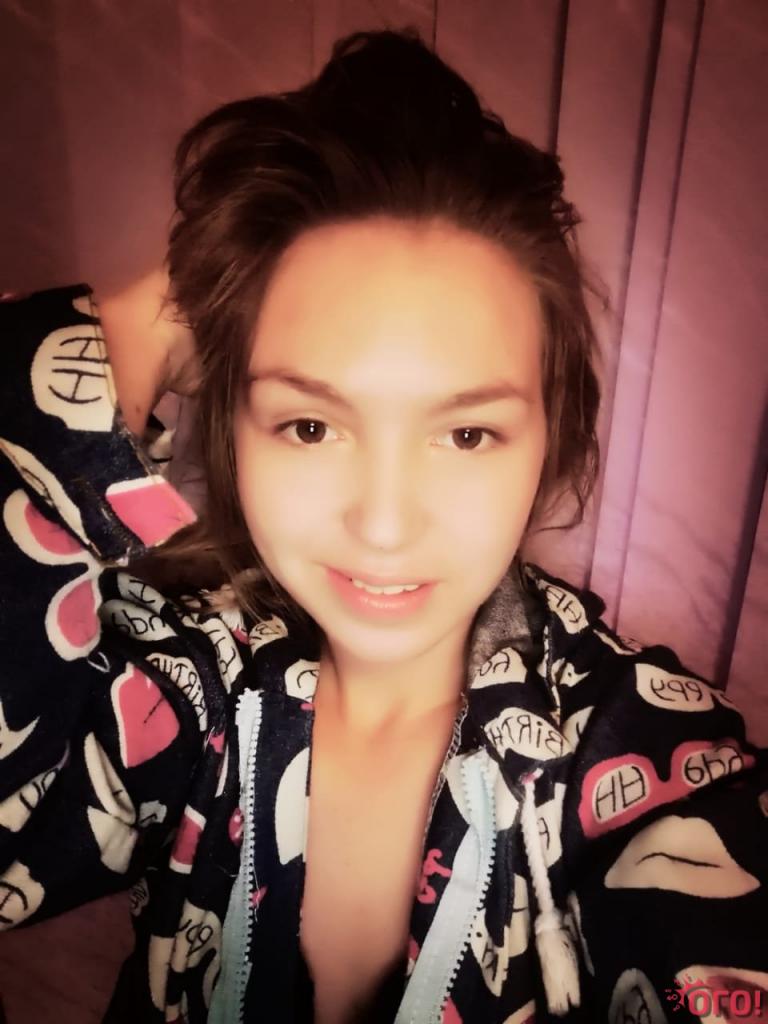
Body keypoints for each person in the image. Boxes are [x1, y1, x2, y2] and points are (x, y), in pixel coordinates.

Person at [1, 28, 766, 1024]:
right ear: (233, 425)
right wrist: (151, 318)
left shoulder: (651, 764)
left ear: (552, 439)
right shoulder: (188, 686)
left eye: (467, 433)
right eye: (311, 425)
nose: (386, 524)